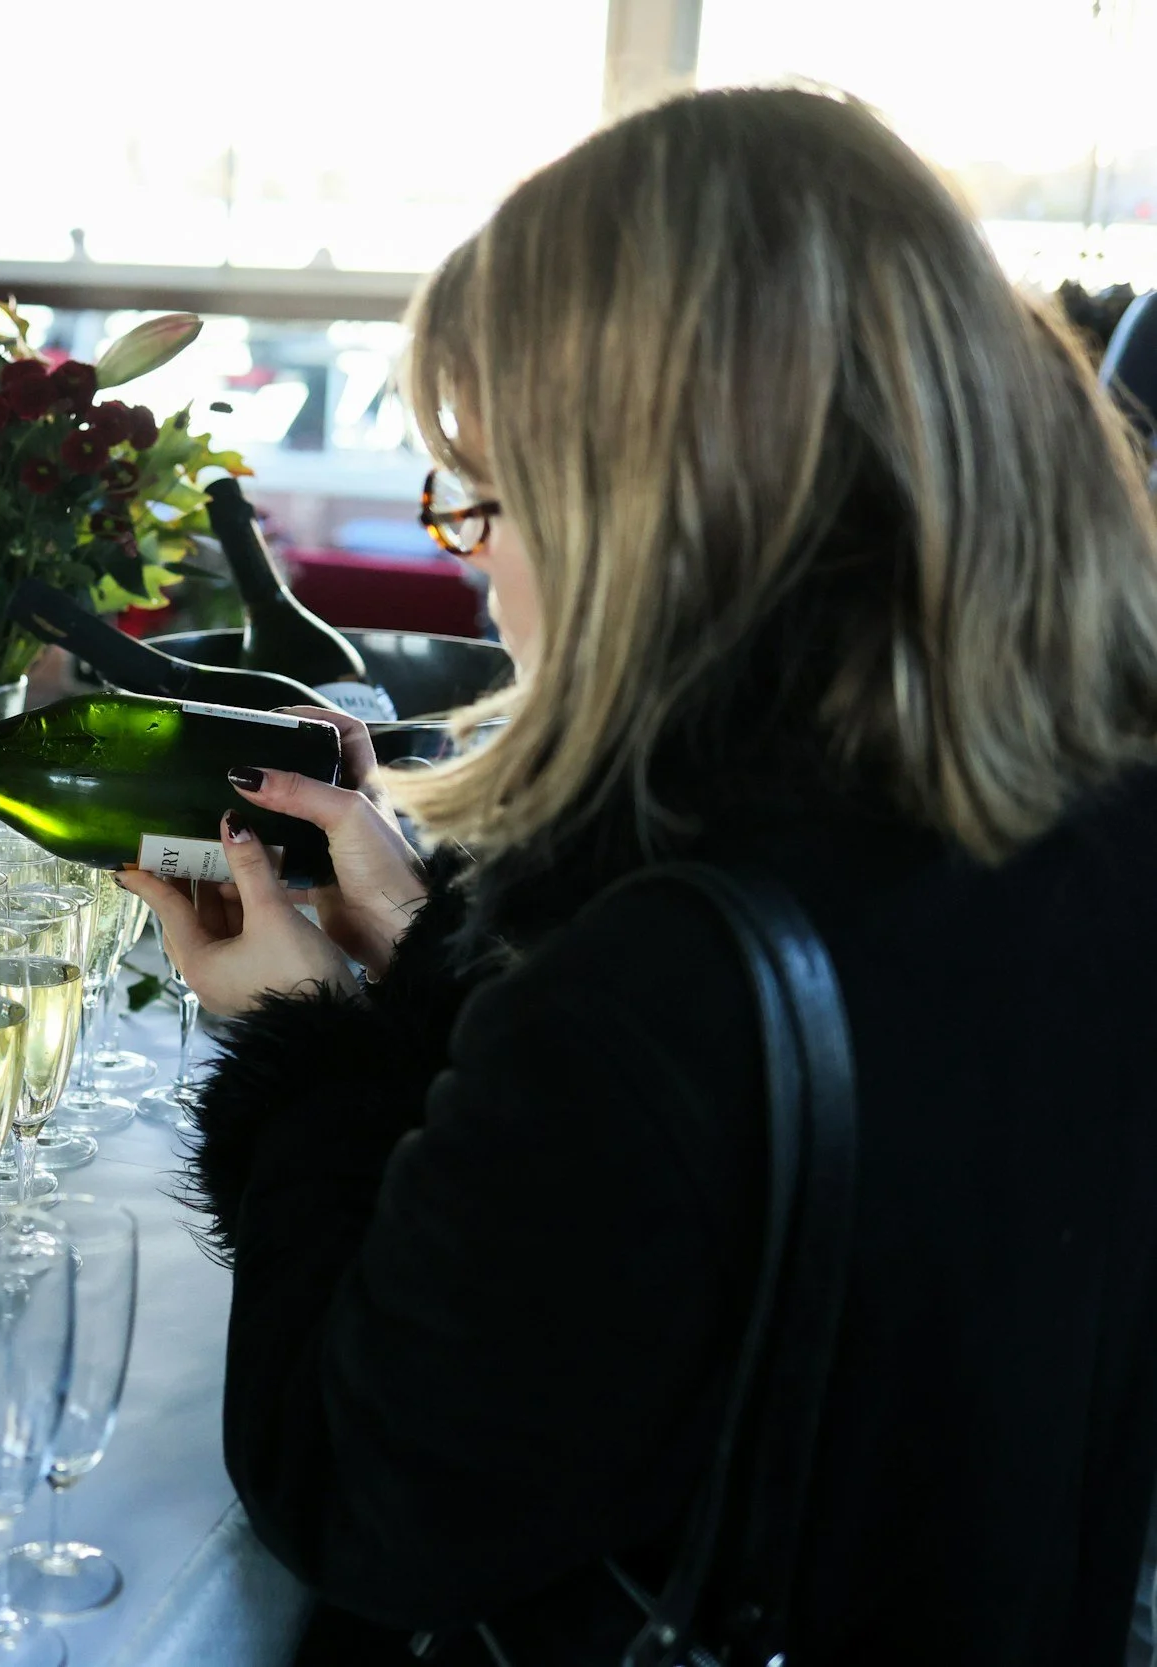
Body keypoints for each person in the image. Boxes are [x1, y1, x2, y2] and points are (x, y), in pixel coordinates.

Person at [120, 88, 1157, 1666]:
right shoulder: (1092, 808)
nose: (473, 556)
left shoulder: (657, 975)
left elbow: (371, 1493)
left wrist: (305, 1041)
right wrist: (435, 958)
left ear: (653, 509)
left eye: (487, 494)